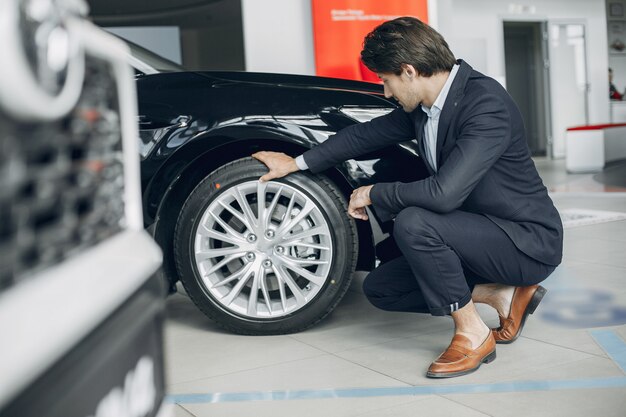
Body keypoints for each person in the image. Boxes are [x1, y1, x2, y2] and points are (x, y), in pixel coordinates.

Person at [252, 17, 563, 378]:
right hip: (475, 234)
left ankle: (473, 332)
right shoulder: (424, 108)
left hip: (525, 240)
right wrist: (296, 162)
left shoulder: (485, 103)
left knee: (416, 221)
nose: (386, 93)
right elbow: (362, 136)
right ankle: (502, 295)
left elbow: (444, 194)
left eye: (386, 81)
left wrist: (375, 193)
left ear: (409, 71)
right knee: (383, 289)